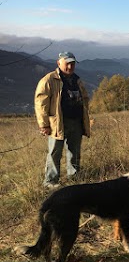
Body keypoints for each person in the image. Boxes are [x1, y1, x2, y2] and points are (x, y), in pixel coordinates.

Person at [34, 51, 91, 189]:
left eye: (72, 63)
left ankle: (75, 177)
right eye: (67, 63)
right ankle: (51, 182)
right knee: (55, 152)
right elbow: (41, 103)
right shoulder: (49, 80)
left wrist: (84, 119)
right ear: (59, 63)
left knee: (74, 151)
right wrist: (44, 124)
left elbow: (84, 99)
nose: (70, 67)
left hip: (76, 122)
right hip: (57, 123)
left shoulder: (77, 80)